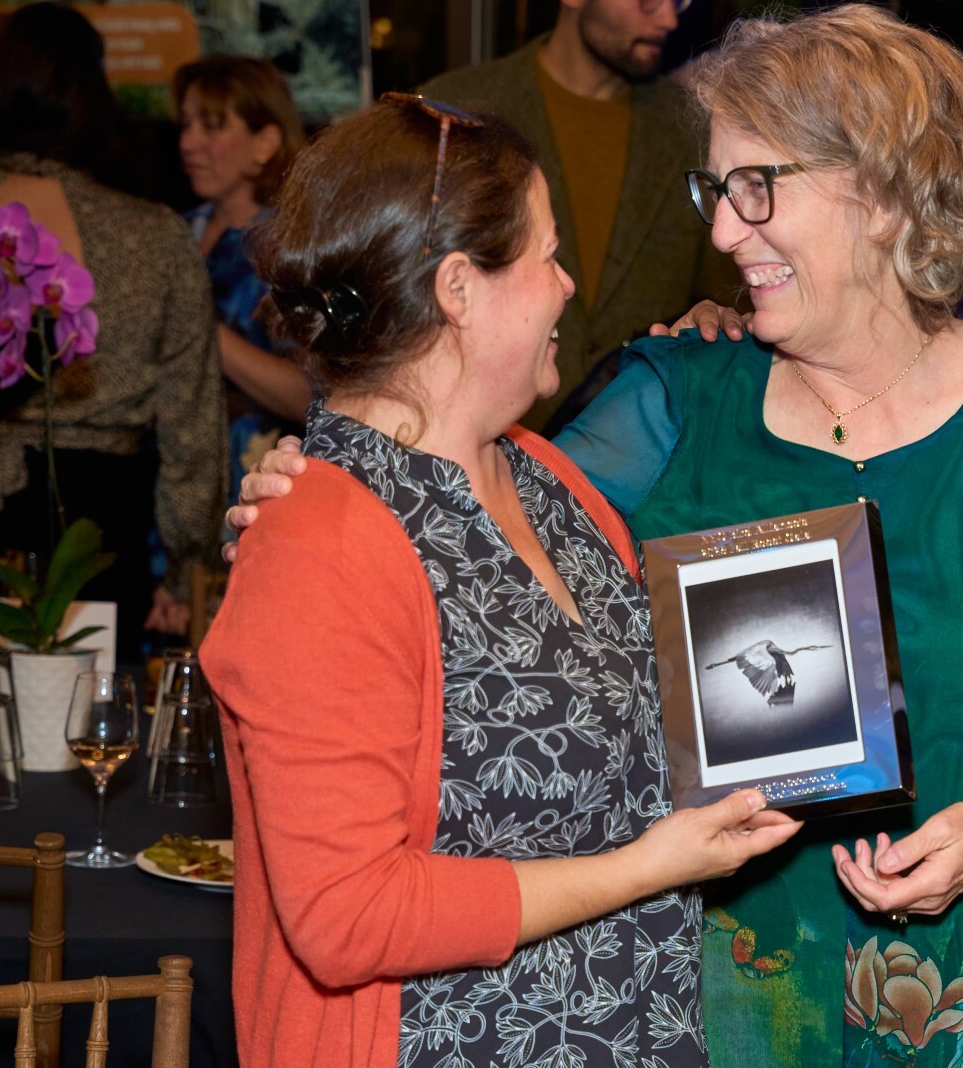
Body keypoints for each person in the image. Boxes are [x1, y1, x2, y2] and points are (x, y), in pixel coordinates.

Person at [233, 6, 963, 1065]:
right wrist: (307, 481)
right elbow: (454, 517)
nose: (725, 230)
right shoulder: (673, 403)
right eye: (716, 191)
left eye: (755, 188)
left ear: (877, 195)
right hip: (708, 1015)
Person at [198, 97, 800, 1068]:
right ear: (458, 289)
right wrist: (649, 868)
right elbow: (346, 916)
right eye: (547, 256)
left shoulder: (547, 479)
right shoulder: (317, 542)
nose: (569, 286)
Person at [0, 2, 225, 660]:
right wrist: (184, 567)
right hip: (90, 536)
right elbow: (191, 434)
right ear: (94, 99)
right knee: (81, 733)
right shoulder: (156, 236)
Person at [418, 0, 737, 433]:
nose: (667, 17)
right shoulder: (456, 113)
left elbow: (723, 297)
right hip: (472, 452)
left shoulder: (693, 130)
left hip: (636, 457)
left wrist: (714, 322)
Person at [173, 55, 310, 502]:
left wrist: (200, 332)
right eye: (186, 124)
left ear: (265, 142)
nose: (188, 142)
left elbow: (310, 397)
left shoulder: (290, 248)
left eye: (211, 127)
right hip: (172, 480)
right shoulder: (174, 232)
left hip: (256, 483)